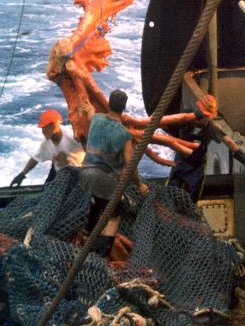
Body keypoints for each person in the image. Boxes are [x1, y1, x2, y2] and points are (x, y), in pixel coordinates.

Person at [79, 89, 148, 253]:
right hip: (106, 180)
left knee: (97, 202)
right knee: (115, 213)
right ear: (124, 108)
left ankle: (86, 236)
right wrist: (140, 185)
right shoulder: (124, 134)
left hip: (85, 175)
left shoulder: (96, 119)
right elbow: (130, 166)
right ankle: (102, 254)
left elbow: (90, 112)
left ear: (109, 104)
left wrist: (88, 107)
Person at [168, 94, 245, 201]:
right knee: (171, 189)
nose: (206, 120)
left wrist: (244, 159)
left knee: (193, 193)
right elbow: (170, 121)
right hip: (181, 160)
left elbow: (228, 141)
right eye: (203, 116)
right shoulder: (185, 117)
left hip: (196, 165)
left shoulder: (210, 128)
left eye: (208, 117)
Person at [10, 109, 85, 187]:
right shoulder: (46, 144)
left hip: (79, 172)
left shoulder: (73, 136)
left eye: (46, 127)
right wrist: (21, 175)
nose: (43, 131)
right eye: (42, 128)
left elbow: (90, 149)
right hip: (58, 173)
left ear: (56, 124)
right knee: (46, 189)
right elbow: (35, 159)